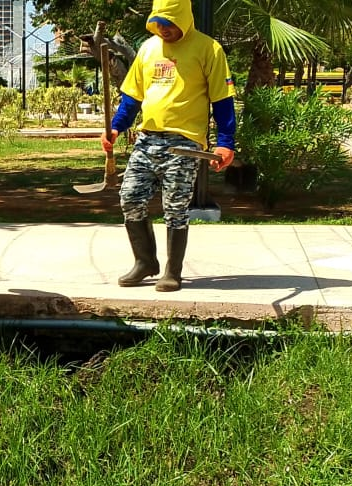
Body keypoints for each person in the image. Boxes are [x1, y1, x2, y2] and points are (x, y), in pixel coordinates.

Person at [102, 0, 237, 292]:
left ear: (184, 19)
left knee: (175, 206)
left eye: (169, 24)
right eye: (158, 24)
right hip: (147, 138)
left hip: (184, 143)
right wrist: (115, 127)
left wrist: (226, 143)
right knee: (130, 197)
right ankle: (145, 262)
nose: (164, 30)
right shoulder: (148, 48)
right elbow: (132, 98)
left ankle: (172, 271)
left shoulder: (208, 49)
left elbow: (223, 101)